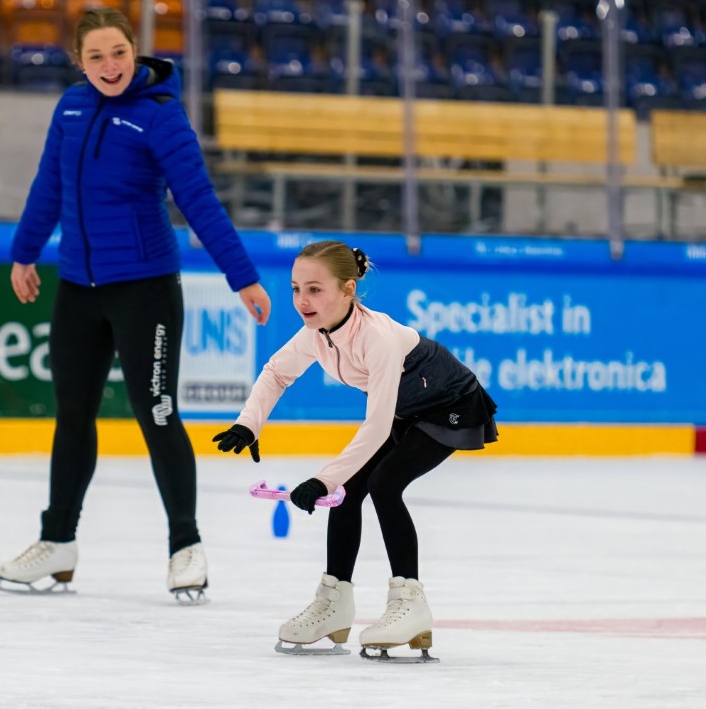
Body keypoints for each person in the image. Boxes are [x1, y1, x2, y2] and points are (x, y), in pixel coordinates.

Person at [0, 7, 272, 602]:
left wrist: (242, 277)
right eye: (95, 56)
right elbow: (49, 186)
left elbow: (198, 200)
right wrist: (24, 253)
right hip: (78, 288)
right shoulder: (71, 107)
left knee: (158, 413)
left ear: (135, 50)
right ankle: (58, 540)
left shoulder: (160, 114)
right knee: (73, 416)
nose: (109, 66)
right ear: (79, 62)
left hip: (145, 289)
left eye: (118, 53)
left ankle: (185, 546)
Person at [212, 241, 496, 654]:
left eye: (314, 290)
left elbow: (377, 427)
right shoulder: (316, 335)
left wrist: (322, 479)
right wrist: (248, 423)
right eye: (295, 289)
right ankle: (335, 602)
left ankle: (410, 602)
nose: (302, 301)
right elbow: (276, 373)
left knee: (384, 483)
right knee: (348, 491)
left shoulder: (377, 338)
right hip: (405, 408)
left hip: (449, 404)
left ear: (348, 290)